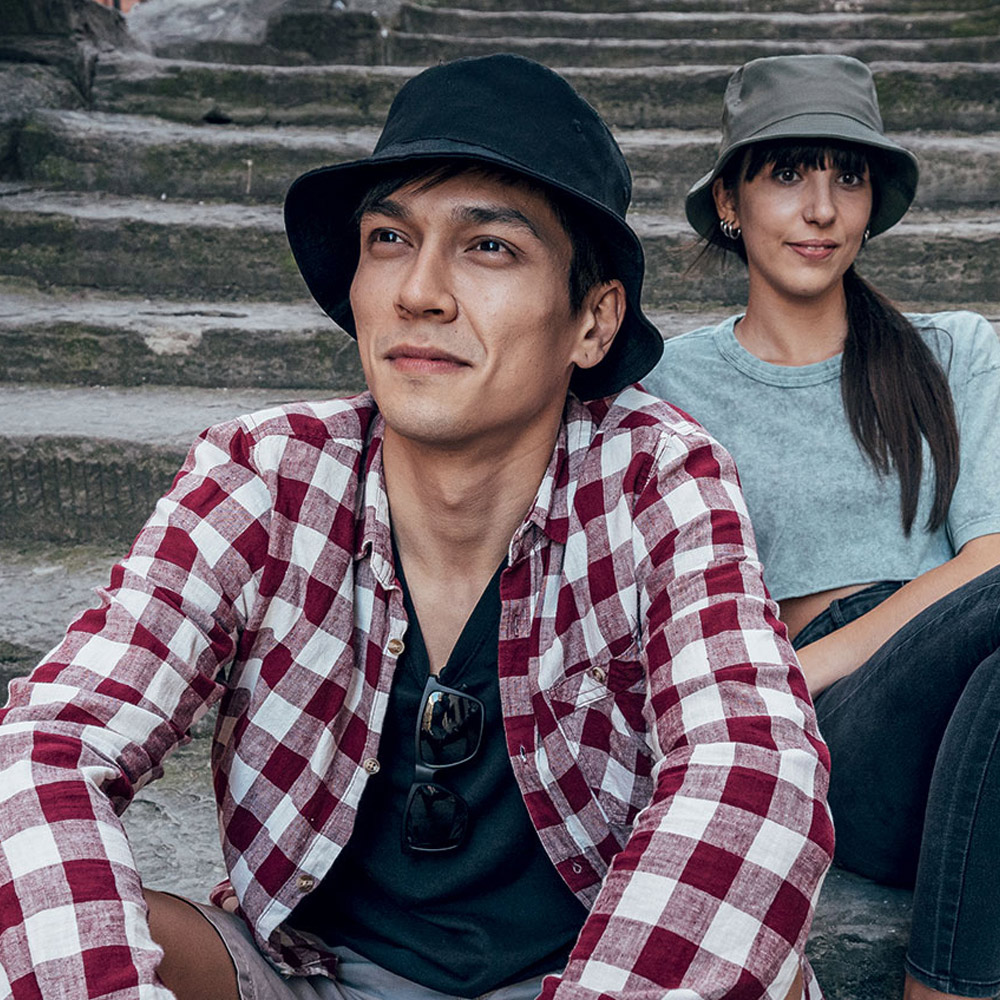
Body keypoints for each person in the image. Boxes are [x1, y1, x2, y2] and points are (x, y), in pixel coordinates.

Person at [0, 54, 833, 1000]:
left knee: (765, 958)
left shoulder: (656, 476)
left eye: (490, 247)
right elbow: (48, 745)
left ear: (593, 323)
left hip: (590, 974)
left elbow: (752, 767)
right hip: (312, 973)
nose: (419, 292)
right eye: (390, 238)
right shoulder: (266, 473)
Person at [643, 53, 1000, 1000]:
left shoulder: (954, 351)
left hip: (948, 685)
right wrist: (794, 678)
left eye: (848, 176)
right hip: (835, 736)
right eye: (788, 172)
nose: (821, 208)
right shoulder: (668, 386)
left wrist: (814, 665)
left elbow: (994, 555)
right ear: (730, 200)